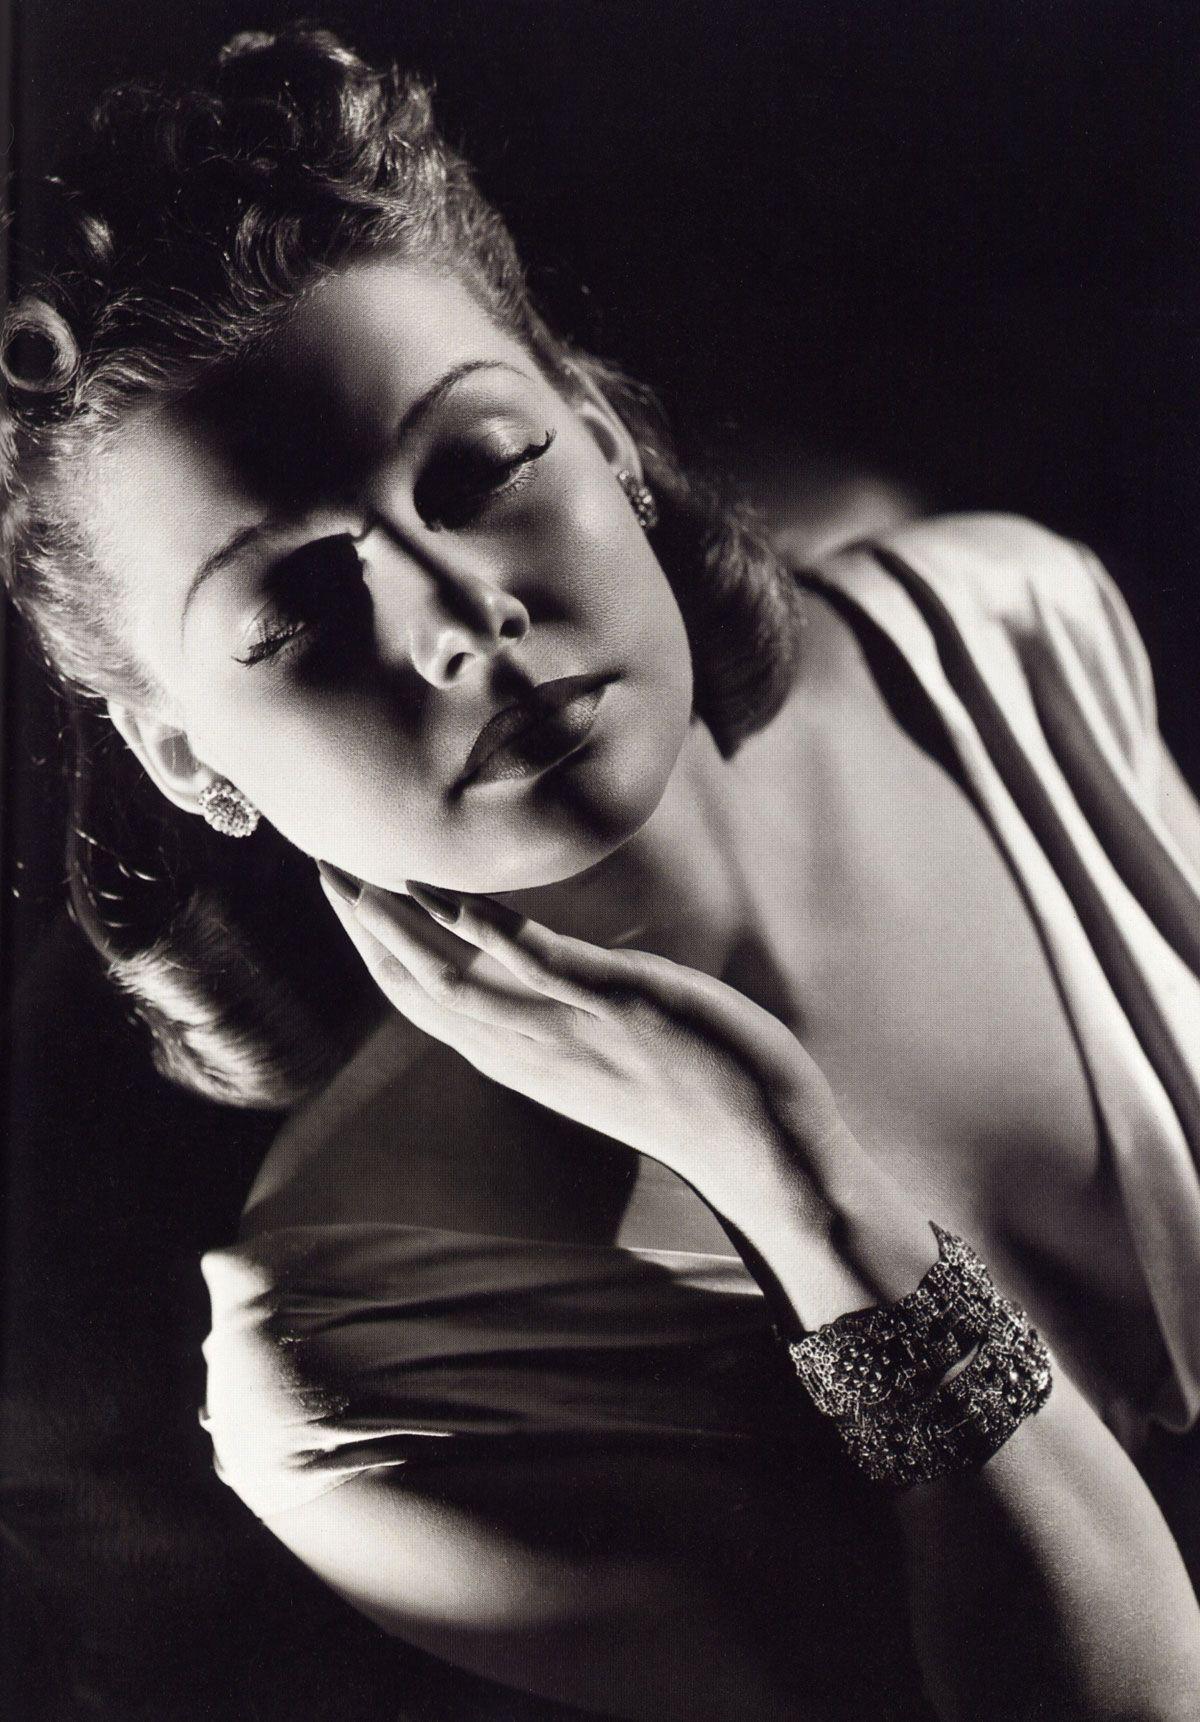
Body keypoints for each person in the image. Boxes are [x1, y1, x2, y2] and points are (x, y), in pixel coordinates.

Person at [3, 25, 1199, 1721]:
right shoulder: (355, 1379)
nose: (454, 617)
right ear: (186, 761)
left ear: (604, 438)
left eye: (481, 468)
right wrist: (787, 1173)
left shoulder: (1001, 627)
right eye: (297, 610)